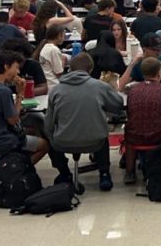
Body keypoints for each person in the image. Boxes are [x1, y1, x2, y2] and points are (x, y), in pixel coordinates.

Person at [44, 53, 123, 191]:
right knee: (102, 135)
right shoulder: (100, 87)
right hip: (94, 141)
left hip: (62, 142)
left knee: (50, 139)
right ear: (91, 70)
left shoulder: (56, 90)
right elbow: (118, 105)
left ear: (70, 68)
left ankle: (64, 173)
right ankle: (104, 174)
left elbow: (48, 125)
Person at [0, 50, 50, 163]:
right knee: (44, 145)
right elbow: (13, 120)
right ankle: (20, 170)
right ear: (6, 66)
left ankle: (14, 161)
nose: (18, 72)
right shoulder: (3, 91)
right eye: (16, 68)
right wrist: (20, 94)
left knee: (31, 130)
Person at [122, 56, 161, 184]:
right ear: (159, 73)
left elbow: (130, 114)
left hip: (135, 136)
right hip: (158, 136)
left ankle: (129, 172)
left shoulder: (132, 91)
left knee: (130, 133)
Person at [33, 23, 69, 90]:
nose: (64, 38)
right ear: (59, 35)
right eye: (64, 35)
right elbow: (59, 72)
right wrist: (63, 61)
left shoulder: (45, 47)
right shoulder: (54, 50)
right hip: (53, 85)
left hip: (47, 83)